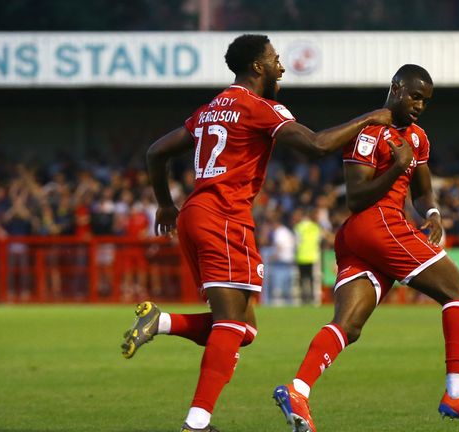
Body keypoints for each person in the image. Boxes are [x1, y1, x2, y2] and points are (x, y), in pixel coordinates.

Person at [120, 34, 392, 432]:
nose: (281, 66)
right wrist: (369, 118)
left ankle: (161, 323)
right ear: (258, 67)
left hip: (195, 213)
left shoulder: (211, 108)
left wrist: (165, 203)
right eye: (275, 58)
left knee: (243, 329)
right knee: (232, 325)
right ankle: (197, 423)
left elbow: (155, 151)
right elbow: (316, 145)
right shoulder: (261, 108)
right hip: (224, 216)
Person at [272, 65, 459, 432]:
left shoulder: (417, 138)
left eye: (425, 101)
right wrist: (396, 169)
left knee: (349, 325)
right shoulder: (369, 132)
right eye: (414, 96)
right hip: (377, 224)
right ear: (396, 88)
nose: (419, 105)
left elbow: (423, 188)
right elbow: (356, 198)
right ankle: (455, 393)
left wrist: (433, 213)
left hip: (361, 239)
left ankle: (298, 389)